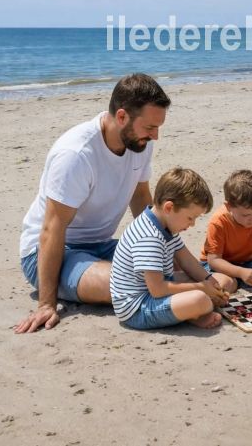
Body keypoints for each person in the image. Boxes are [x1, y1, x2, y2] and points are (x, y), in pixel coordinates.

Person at [14, 73, 170, 334]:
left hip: (102, 246)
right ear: (122, 117)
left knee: (167, 271)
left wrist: (164, 247)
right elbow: (52, 229)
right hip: (50, 252)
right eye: (150, 128)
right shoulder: (75, 154)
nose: (155, 136)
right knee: (133, 284)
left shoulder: (139, 143)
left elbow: (141, 199)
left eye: (158, 127)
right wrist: (46, 304)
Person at [111, 167, 236, 330]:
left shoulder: (166, 223)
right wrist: (201, 288)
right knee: (200, 300)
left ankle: (189, 311)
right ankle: (192, 314)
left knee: (223, 281)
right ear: (169, 208)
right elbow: (157, 290)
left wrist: (208, 281)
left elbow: (187, 261)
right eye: (190, 218)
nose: (192, 224)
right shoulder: (149, 237)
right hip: (138, 308)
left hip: (159, 288)